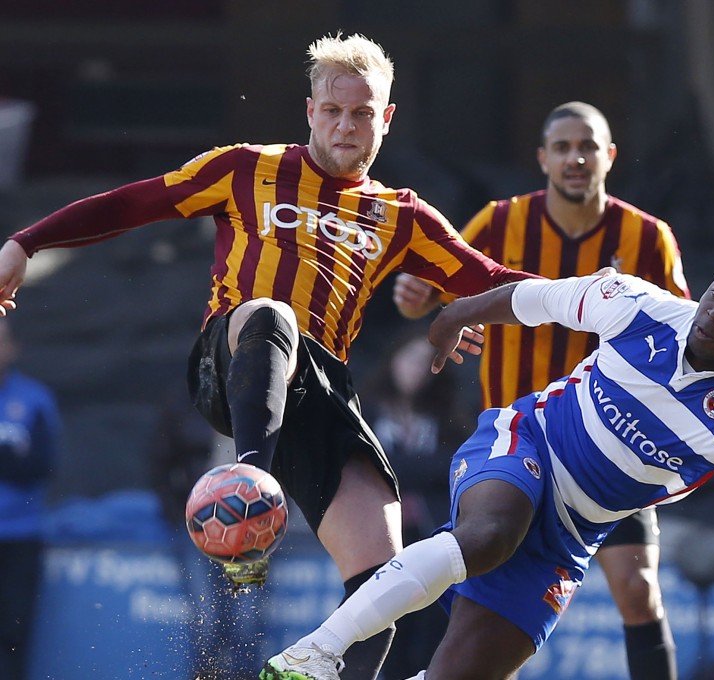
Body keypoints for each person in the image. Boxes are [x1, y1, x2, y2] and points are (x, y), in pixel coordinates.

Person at [0, 31, 537, 680]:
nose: (345, 126)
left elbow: (490, 278)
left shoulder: (401, 215)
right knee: (270, 314)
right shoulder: (245, 168)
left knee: (386, 582)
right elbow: (137, 201)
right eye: (332, 111)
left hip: (322, 392)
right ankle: (248, 480)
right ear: (310, 111)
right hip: (231, 364)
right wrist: (26, 243)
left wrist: (601, 298)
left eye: (362, 113)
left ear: (387, 118)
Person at [280, 255, 714, 680]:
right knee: (491, 533)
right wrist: (457, 314)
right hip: (526, 443)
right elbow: (535, 299)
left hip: (571, 536)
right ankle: (313, 654)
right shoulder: (640, 306)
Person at [393, 100, 688, 679]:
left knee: (638, 589)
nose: (575, 159)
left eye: (587, 147)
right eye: (562, 148)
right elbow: (435, 288)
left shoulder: (649, 237)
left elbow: (681, 332)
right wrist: (415, 297)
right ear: (543, 159)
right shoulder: (500, 223)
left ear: (609, 156)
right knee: (489, 600)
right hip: (515, 445)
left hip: (608, 446)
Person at [359, 331, 474, 679]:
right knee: (382, 627)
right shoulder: (366, 410)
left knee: (430, 633)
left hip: (431, 537)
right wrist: (418, 470)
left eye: (427, 363)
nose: (417, 369)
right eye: (410, 358)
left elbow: (454, 466)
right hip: (376, 538)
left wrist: (401, 469)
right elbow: (364, 465)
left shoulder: (448, 416)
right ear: (393, 359)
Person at [149, 383, 268, 679]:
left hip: (250, 533)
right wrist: (177, 513)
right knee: (207, 620)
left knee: (245, 623)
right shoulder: (187, 399)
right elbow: (159, 460)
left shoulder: (266, 397)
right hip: (200, 527)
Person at [0, 317, 61, 678]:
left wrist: (13, 461)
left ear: (13, 348)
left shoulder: (34, 400)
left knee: (13, 633)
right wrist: (10, 455)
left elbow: (40, 465)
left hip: (20, 534)